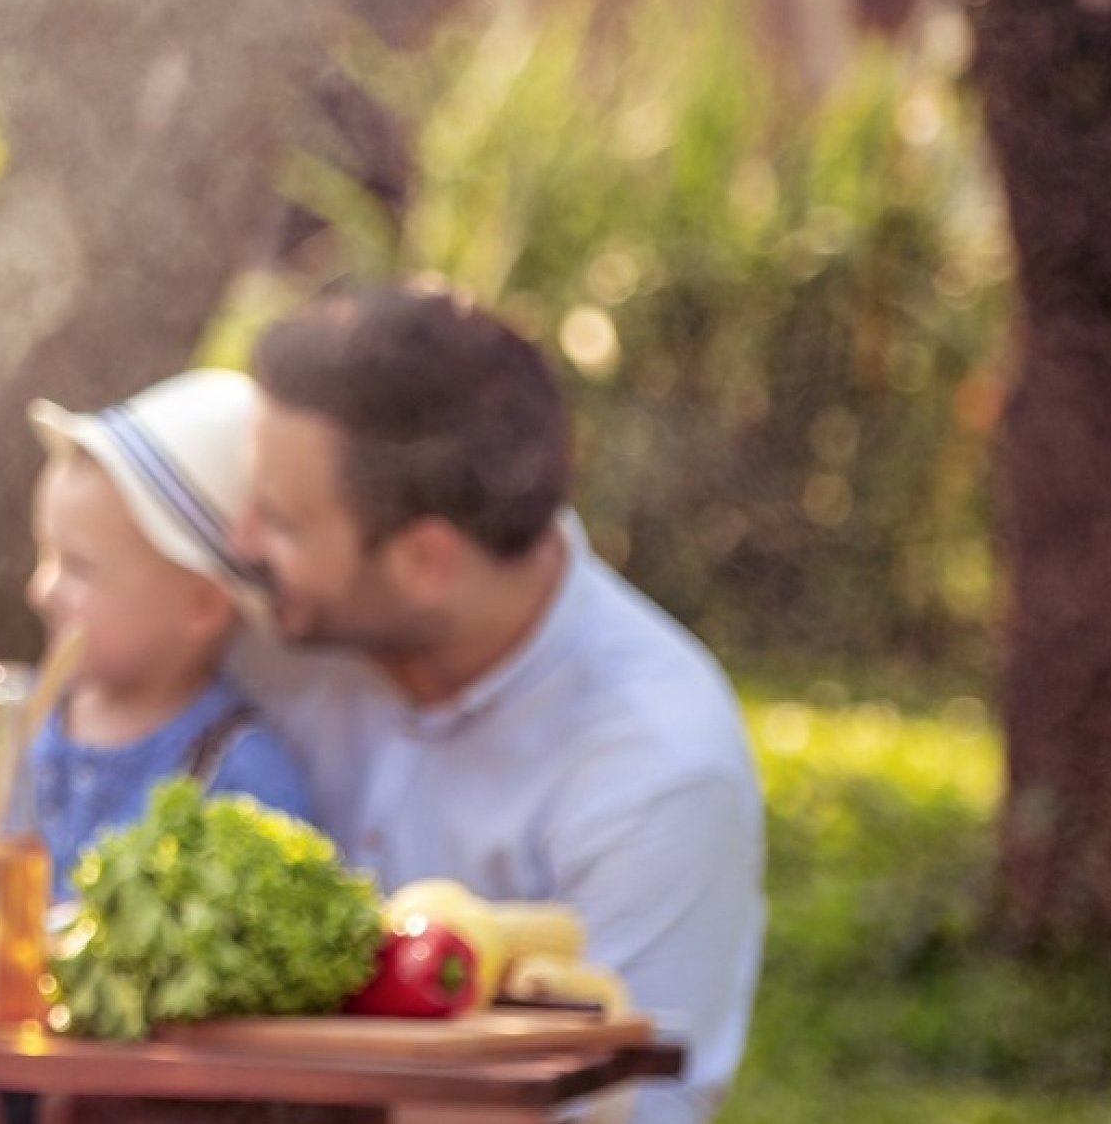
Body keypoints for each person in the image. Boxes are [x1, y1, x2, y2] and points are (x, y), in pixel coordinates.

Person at [230, 282, 764, 1124]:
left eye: (283, 523)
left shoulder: (659, 770)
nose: (240, 543)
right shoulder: (278, 629)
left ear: (426, 560)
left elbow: (630, 1107)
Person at [0, 371, 315, 897]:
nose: (42, 590)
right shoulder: (12, 720)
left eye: (78, 568)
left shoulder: (242, 777)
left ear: (202, 606)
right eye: (46, 553)